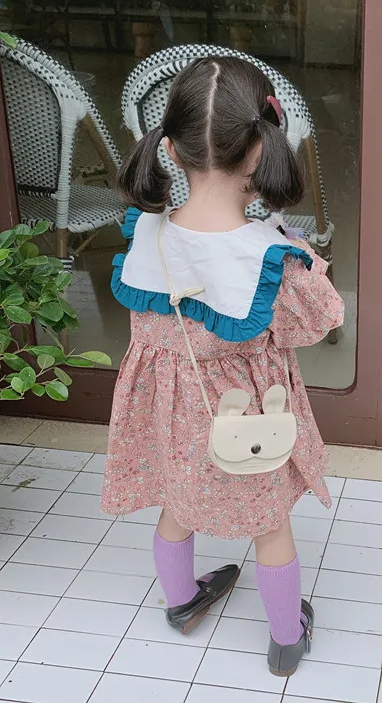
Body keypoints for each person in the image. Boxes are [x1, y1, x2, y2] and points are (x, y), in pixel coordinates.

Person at [101, 56, 344, 678]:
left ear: (171, 151)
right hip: (246, 423)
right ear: (261, 151)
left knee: (176, 502)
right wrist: (305, 258)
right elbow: (322, 319)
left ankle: (181, 602)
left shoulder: (144, 238)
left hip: (173, 422)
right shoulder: (268, 258)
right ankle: (286, 639)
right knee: (270, 525)